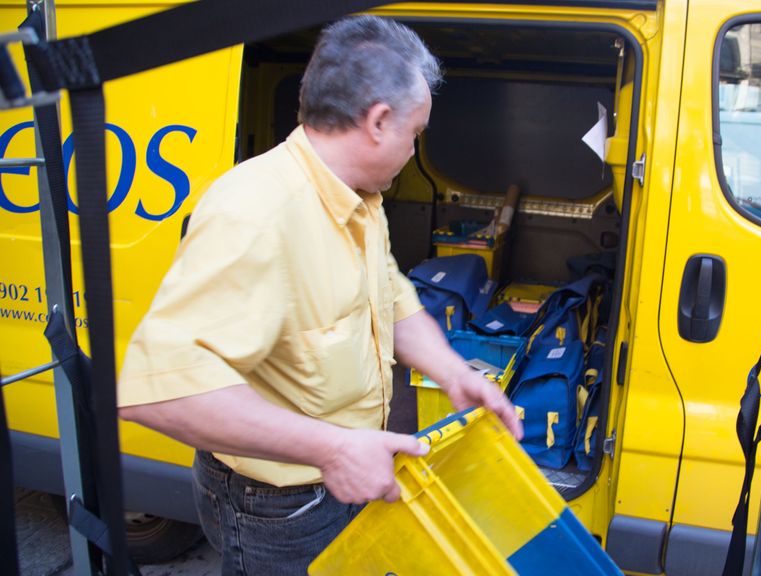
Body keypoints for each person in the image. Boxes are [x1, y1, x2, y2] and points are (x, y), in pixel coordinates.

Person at [117, 16, 522, 575]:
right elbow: (160, 394)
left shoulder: (359, 199)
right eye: (416, 133)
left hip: (346, 472)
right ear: (379, 121)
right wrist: (333, 448)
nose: (413, 150)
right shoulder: (256, 213)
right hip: (279, 507)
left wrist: (455, 374)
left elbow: (392, 295)